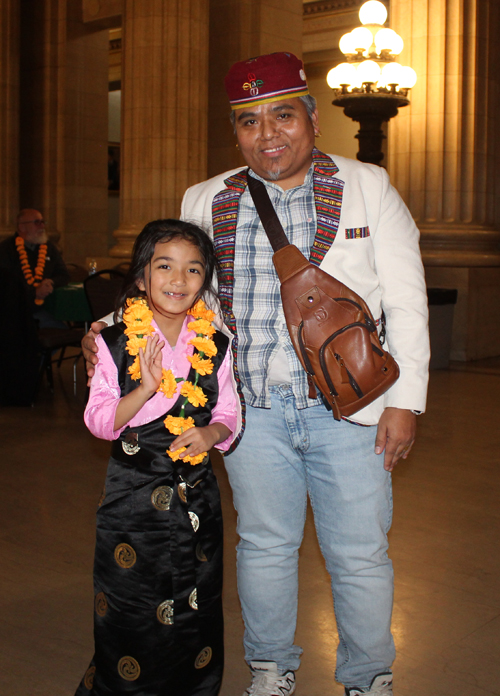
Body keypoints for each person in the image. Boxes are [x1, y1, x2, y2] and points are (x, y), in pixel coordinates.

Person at [83, 53, 429, 696]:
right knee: (264, 546)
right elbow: (178, 286)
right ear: (236, 130)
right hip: (249, 414)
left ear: (312, 119)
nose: (267, 133)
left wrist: (405, 403)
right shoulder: (206, 197)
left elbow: (407, 301)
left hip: (350, 412)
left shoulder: (368, 186)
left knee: (358, 554)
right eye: (248, 121)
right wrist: (110, 332)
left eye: (282, 114)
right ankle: (271, 668)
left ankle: (367, 676)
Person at [75, 219, 239, 696]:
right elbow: (100, 420)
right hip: (133, 500)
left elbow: (229, 409)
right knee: (131, 605)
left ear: (204, 281)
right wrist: (144, 388)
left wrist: (211, 431)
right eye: (164, 266)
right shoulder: (112, 341)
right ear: (142, 276)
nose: (178, 280)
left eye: (193, 269)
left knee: (199, 601)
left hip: (197, 500)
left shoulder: (217, 343)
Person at [0, 208, 70, 328]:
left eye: (43, 222)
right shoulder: (6, 249)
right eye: (37, 222)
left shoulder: (49, 248)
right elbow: (7, 284)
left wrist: (50, 282)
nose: (42, 226)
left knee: (62, 329)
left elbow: (64, 274)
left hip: (46, 308)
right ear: (22, 227)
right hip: (15, 311)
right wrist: (35, 292)